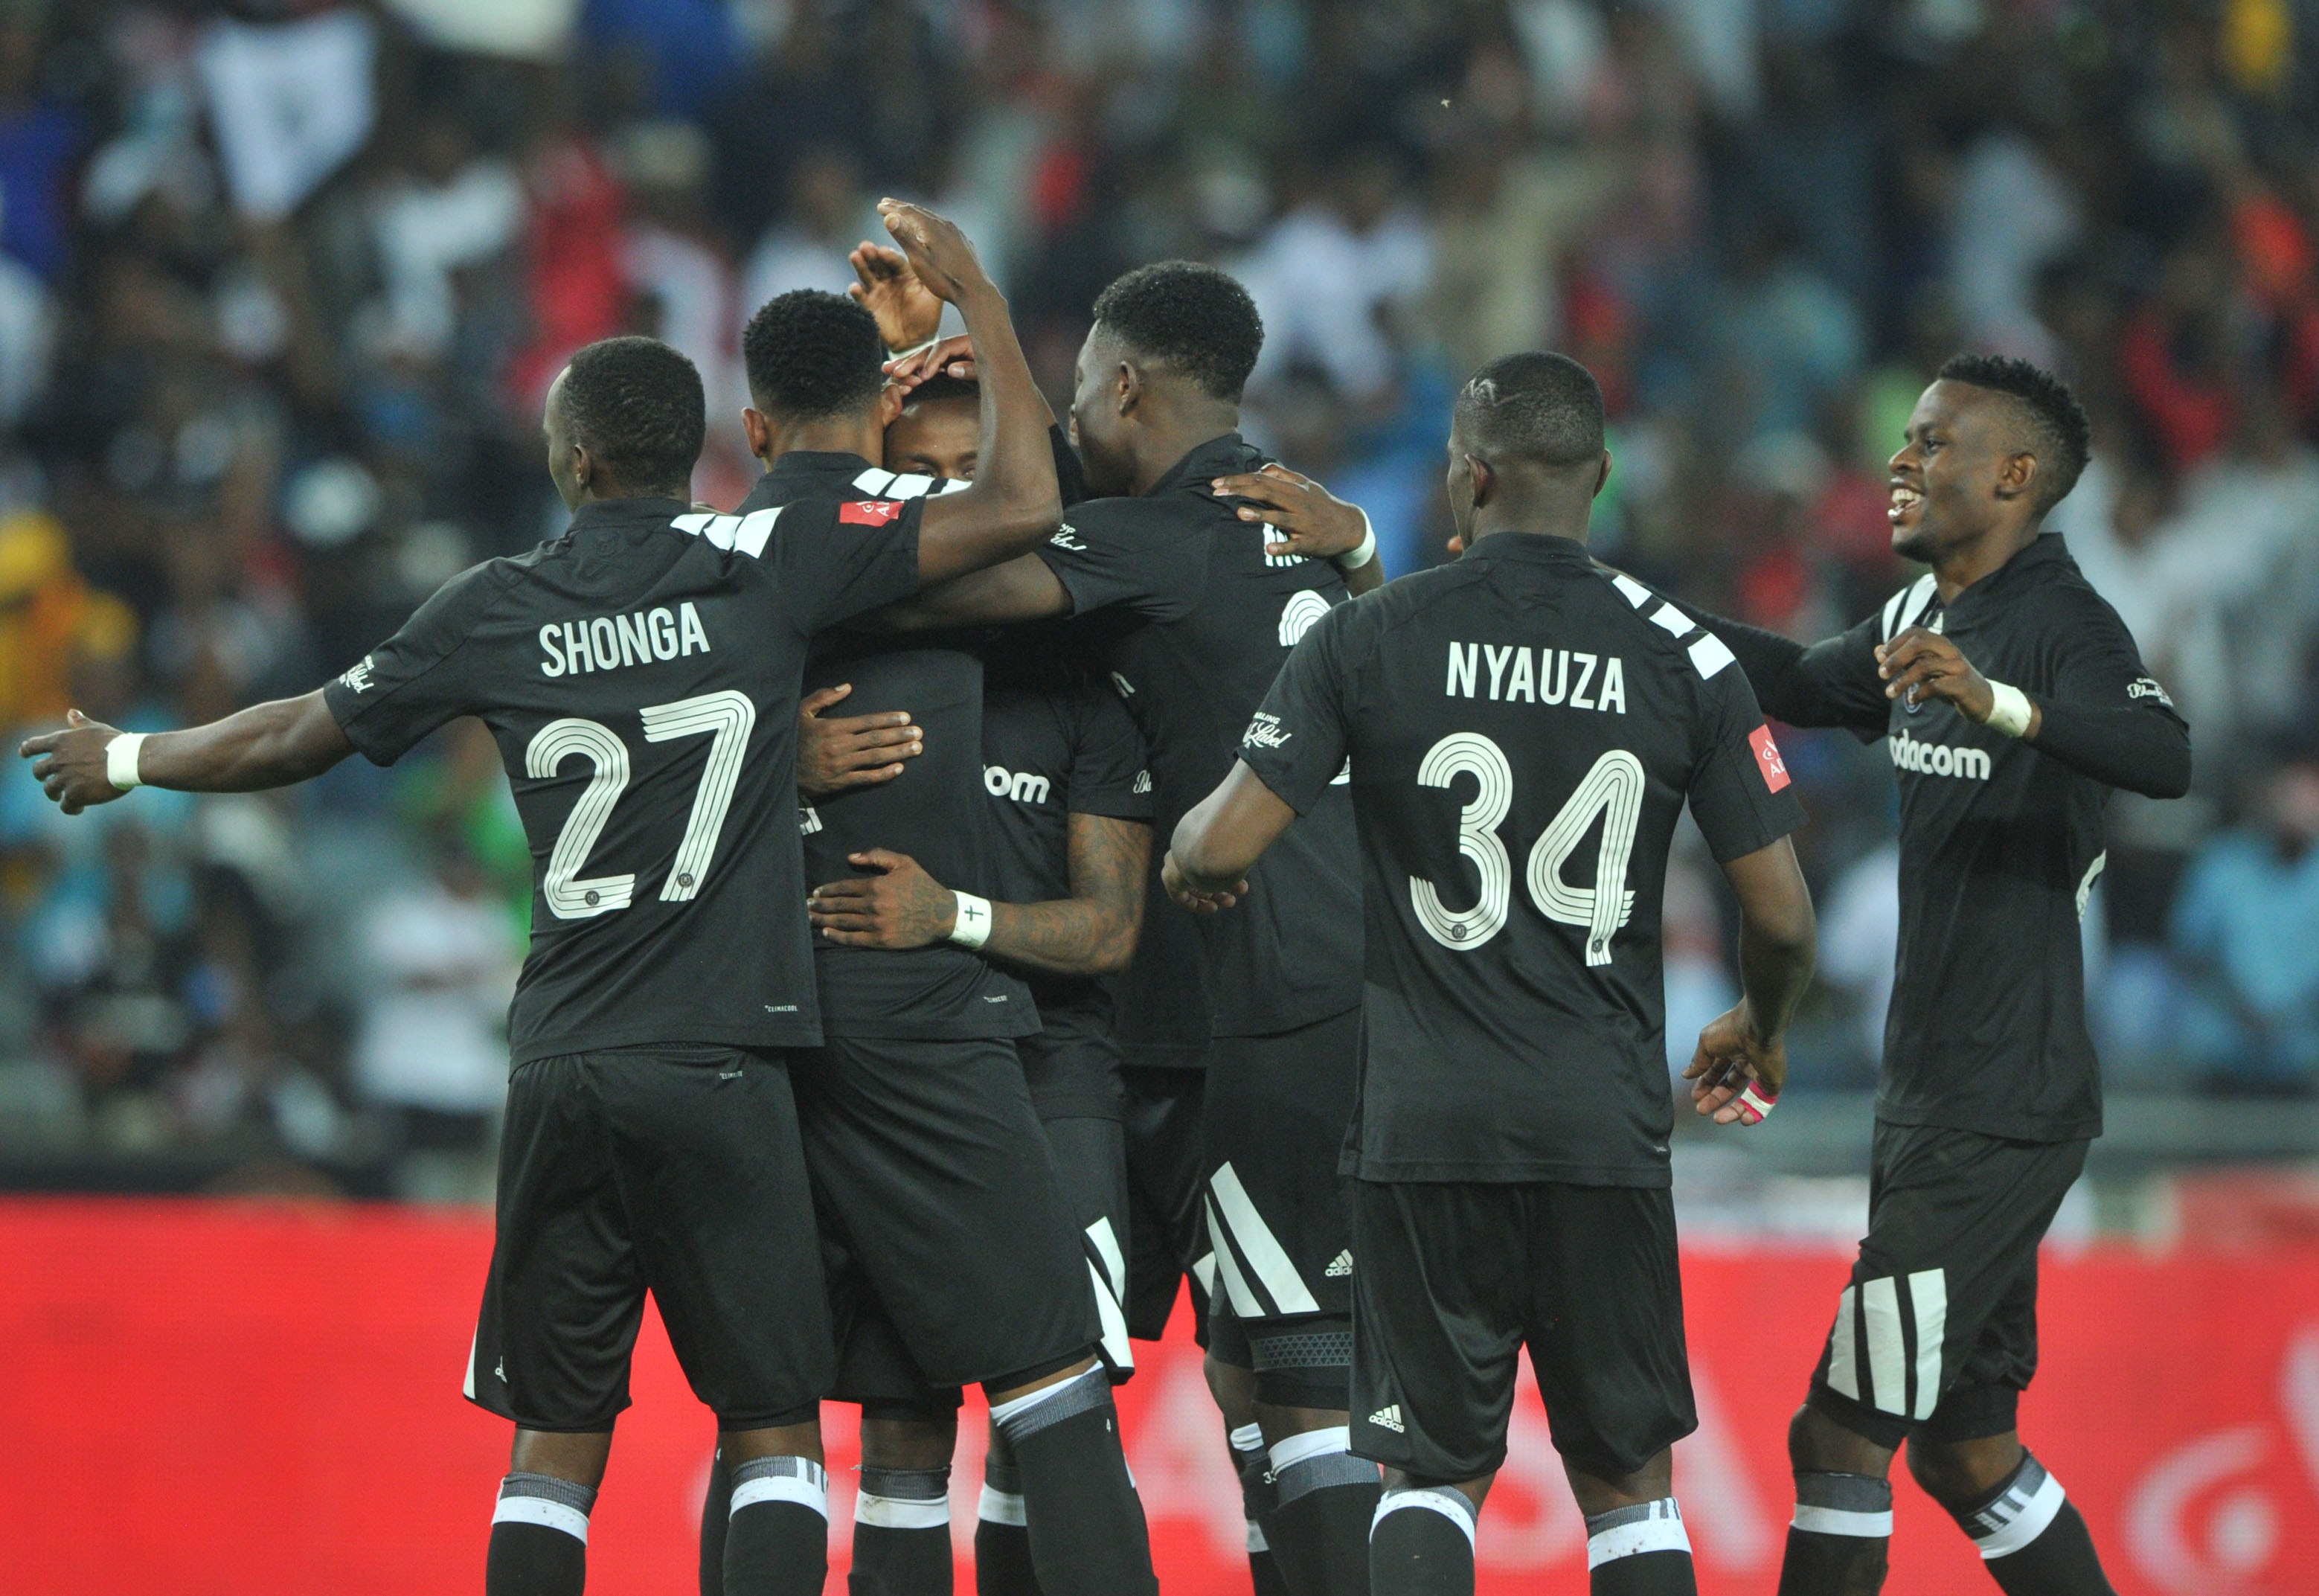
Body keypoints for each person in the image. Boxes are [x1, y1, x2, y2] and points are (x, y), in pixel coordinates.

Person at [19, 196, 1062, 1596]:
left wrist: (129, 753)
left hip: (564, 1056)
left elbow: (292, 733)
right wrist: (974, 298)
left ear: (569, 458)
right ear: (690, 453)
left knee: (553, 1443)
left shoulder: (492, 604)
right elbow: (1019, 509)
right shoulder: (757, 563)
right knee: (767, 1425)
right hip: (725, 1053)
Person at [1164, 350, 1819, 1596]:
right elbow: (1782, 918)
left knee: (1429, 1474)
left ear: (1466, 474)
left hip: (1424, 1121)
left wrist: (1191, 866)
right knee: (1629, 1483)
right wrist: (1762, 1021)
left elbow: (1218, 840)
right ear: (1603, 480)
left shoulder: (1373, 633)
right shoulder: (1681, 650)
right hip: (1601, 1120)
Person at [875, 260, 1388, 1595]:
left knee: (1162, 1390)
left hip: (1242, 1012)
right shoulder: (1295, 520)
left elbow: (938, 583)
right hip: (1252, 1003)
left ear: (1117, 385)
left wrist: (841, 473)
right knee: (1254, 1383)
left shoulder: (1155, 542)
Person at [1690, 353, 2190, 1596]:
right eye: (1903, 440)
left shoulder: (2056, 618)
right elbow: (1806, 681)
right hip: (1933, 1093)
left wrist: (2004, 705)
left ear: (2012, 476)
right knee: (1968, 1452)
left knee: (1838, 1433)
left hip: (1995, 1101)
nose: (1899, 465)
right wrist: (1634, 616)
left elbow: (2162, 751)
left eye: (1930, 444)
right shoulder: (1924, 616)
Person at [693, 271, 1157, 1595]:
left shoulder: (1078, 681)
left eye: (975, 467)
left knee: (961, 1410)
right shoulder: (818, 580)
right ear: (881, 476)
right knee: (852, 1417)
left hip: (1017, 1043)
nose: (951, 493)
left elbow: (1112, 925)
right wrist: (771, 751)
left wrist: (953, 911)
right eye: (923, 468)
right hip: (854, 1019)